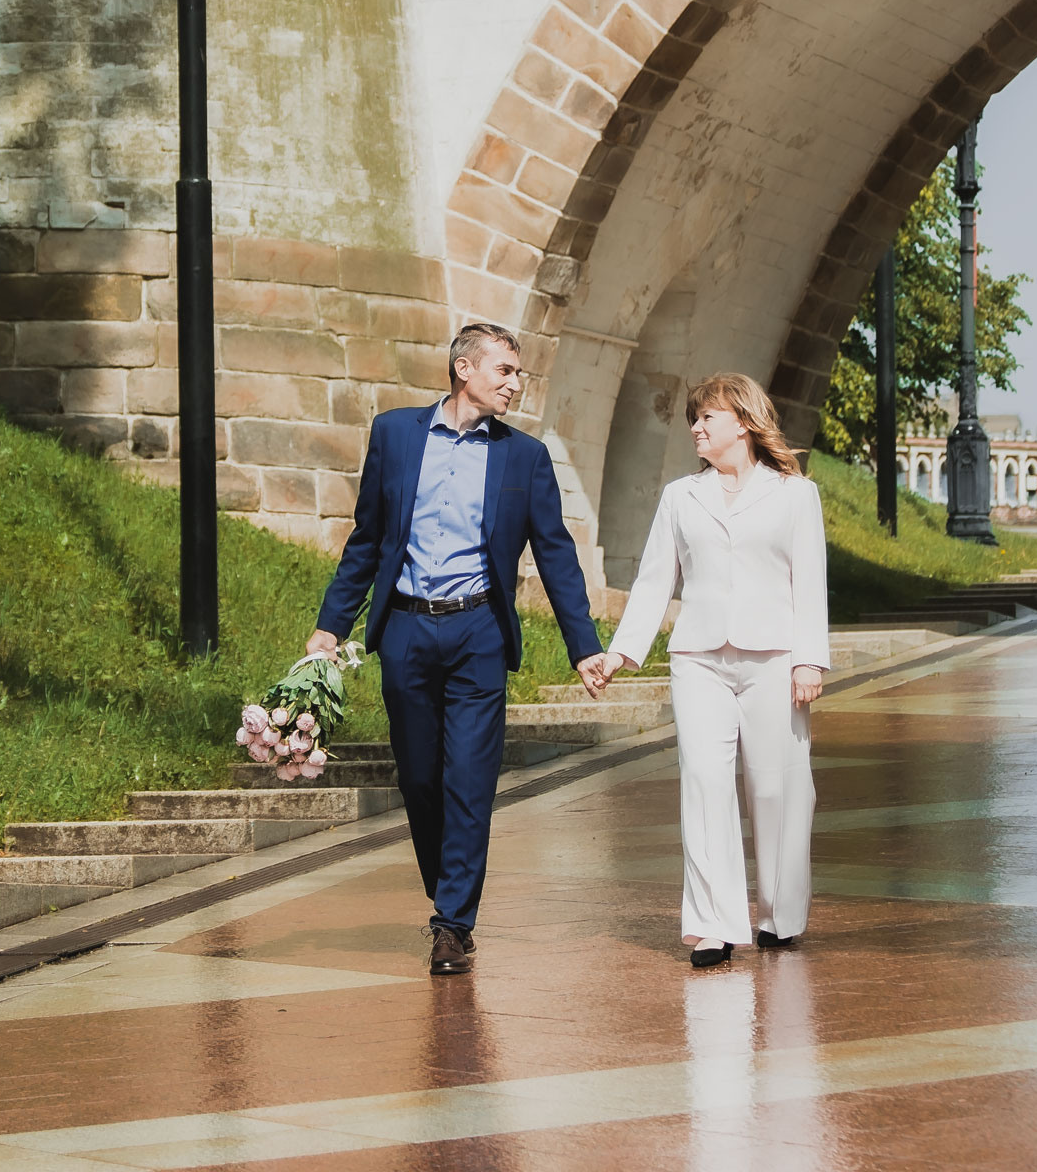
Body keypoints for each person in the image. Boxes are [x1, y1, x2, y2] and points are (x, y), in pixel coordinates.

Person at [308, 321, 608, 976]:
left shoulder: (523, 457)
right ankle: (447, 889)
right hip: (407, 629)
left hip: (477, 633)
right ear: (464, 369)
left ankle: (451, 923)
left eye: (519, 373)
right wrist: (332, 626)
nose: (515, 383)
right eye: (505, 370)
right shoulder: (394, 436)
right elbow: (366, 541)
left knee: (469, 780)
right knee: (419, 778)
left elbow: (555, 555)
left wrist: (583, 645)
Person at [605, 371, 829, 965]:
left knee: (778, 789)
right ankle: (713, 925)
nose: (696, 429)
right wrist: (622, 651)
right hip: (698, 658)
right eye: (693, 419)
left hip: (776, 660)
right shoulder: (682, 496)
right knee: (704, 784)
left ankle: (781, 914)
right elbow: (656, 579)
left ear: (745, 423)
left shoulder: (794, 494)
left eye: (708, 417)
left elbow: (810, 582)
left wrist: (810, 659)